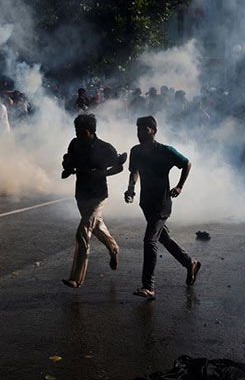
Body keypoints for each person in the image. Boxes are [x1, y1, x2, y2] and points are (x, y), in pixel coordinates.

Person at [124, 116, 201, 299]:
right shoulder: (136, 151)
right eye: (139, 130)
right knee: (163, 238)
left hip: (162, 203)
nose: (141, 134)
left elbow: (186, 163)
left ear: (154, 131)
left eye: (145, 130)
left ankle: (148, 287)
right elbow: (134, 172)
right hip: (146, 202)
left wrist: (180, 186)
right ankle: (190, 263)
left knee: (150, 240)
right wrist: (130, 189)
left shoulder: (166, 151)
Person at [61, 114, 126, 288]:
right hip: (81, 193)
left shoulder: (105, 148)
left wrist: (103, 173)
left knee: (83, 231)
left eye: (80, 130)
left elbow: (119, 166)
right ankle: (113, 249)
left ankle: (76, 278)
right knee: (96, 226)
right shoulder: (75, 144)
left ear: (89, 131)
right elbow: (68, 160)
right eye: (75, 130)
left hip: (98, 195)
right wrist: (67, 168)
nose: (77, 133)